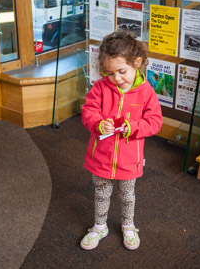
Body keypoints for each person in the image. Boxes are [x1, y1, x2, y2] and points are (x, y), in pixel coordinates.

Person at [80, 31, 163, 250]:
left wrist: (132, 127)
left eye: (122, 71)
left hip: (129, 160)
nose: (116, 79)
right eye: (109, 73)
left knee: (127, 196)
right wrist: (98, 123)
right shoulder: (99, 88)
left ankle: (128, 225)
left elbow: (155, 122)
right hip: (100, 157)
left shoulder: (146, 92)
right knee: (101, 193)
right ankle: (99, 226)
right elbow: (88, 111)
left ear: (137, 63)